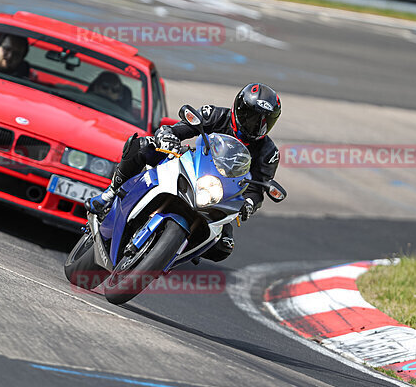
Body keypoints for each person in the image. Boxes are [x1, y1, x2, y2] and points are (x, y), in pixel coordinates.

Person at [85, 83, 282, 261]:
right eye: (252, 117)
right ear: (238, 108)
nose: (256, 125)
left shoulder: (269, 152)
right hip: (190, 165)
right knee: (142, 146)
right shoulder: (214, 115)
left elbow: (258, 188)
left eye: (264, 122)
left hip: (220, 193)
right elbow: (178, 129)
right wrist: (168, 136)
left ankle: (174, 252)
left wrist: (249, 204)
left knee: (223, 247)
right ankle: (109, 194)